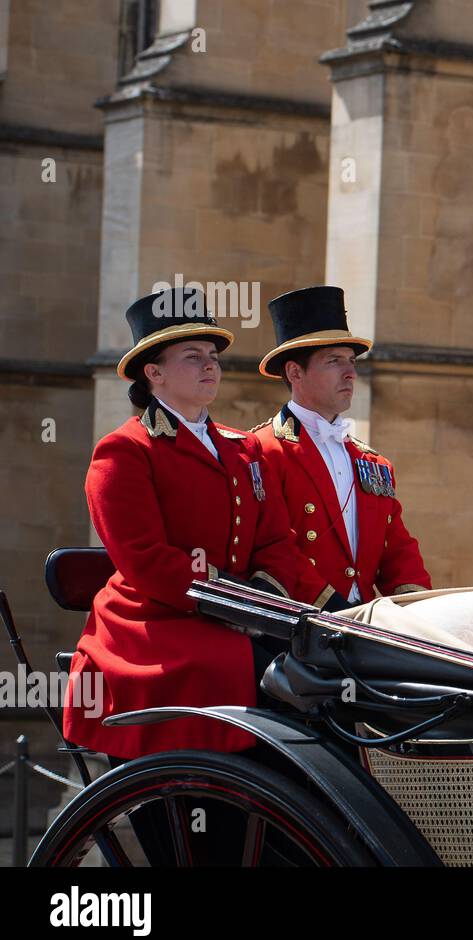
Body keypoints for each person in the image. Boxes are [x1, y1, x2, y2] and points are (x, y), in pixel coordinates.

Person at [63, 288, 321, 761]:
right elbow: (147, 563)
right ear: (154, 373)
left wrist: (257, 607)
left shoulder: (244, 448)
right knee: (259, 672)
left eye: (213, 357)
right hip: (156, 625)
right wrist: (233, 608)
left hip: (240, 616)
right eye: (192, 356)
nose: (210, 366)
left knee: (323, 669)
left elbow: (275, 543)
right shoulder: (125, 451)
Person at [252, 286, 431, 610]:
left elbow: (397, 551)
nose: (350, 373)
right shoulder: (261, 451)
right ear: (295, 372)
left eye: (351, 361)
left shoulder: (373, 462)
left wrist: (417, 611)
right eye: (334, 361)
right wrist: (330, 607)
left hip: (359, 626)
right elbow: (274, 548)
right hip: (296, 624)